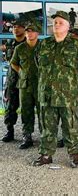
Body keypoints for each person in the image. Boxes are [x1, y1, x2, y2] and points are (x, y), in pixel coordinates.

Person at [33, 10, 78, 168]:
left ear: (68, 26)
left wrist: (75, 83)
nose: (56, 24)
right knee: (47, 126)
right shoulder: (44, 44)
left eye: (60, 22)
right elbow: (38, 63)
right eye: (55, 22)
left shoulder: (77, 45)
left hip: (68, 95)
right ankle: (46, 155)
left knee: (71, 127)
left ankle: (74, 156)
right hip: (47, 94)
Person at [9, 21, 42, 149]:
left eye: (32, 31)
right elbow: (14, 62)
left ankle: (45, 136)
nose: (30, 33)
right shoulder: (19, 48)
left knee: (42, 111)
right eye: (28, 31)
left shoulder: (43, 47)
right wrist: (20, 71)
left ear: (37, 33)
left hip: (40, 84)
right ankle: (27, 136)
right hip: (25, 84)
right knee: (26, 111)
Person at [1, 19, 26, 142]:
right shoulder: (10, 43)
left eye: (19, 26)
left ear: (24, 29)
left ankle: (27, 135)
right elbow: (8, 60)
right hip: (12, 80)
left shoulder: (28, 43)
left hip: (25, 80)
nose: (16, 29)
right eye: (14, 26)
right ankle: (9, 131)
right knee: (10, 106)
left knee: (27, 108)